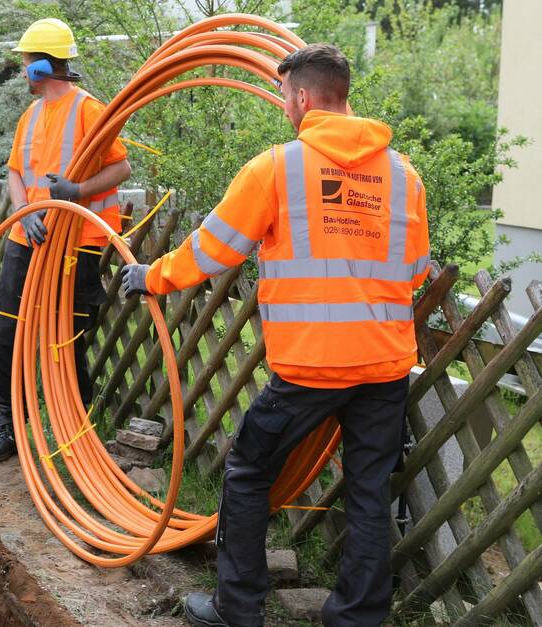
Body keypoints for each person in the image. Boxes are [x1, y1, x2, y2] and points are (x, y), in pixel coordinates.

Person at [121, 44, 430, 627]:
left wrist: (152, 277)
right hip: (385, 368)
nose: (285, 105)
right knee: (368, 494)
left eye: (286, 95)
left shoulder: (279, 167)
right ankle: (357, 619)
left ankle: (237, 607)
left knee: (248, 472)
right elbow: (414, 269)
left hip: (310, 369)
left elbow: (214, 247)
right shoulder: (403, 175)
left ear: (305, 97)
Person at [0, 18, 132, 463]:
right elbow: (13, 173)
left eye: (25, 62)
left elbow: (122, 169)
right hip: (27, 241)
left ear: (40, 66)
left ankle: (76, 435)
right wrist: (22, 216)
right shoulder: (30, 116)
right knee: (7, 334)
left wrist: (77, 191)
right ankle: (10, 426)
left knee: (66, 341)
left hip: (76, 244)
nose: (22, 70)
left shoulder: (89, 110)